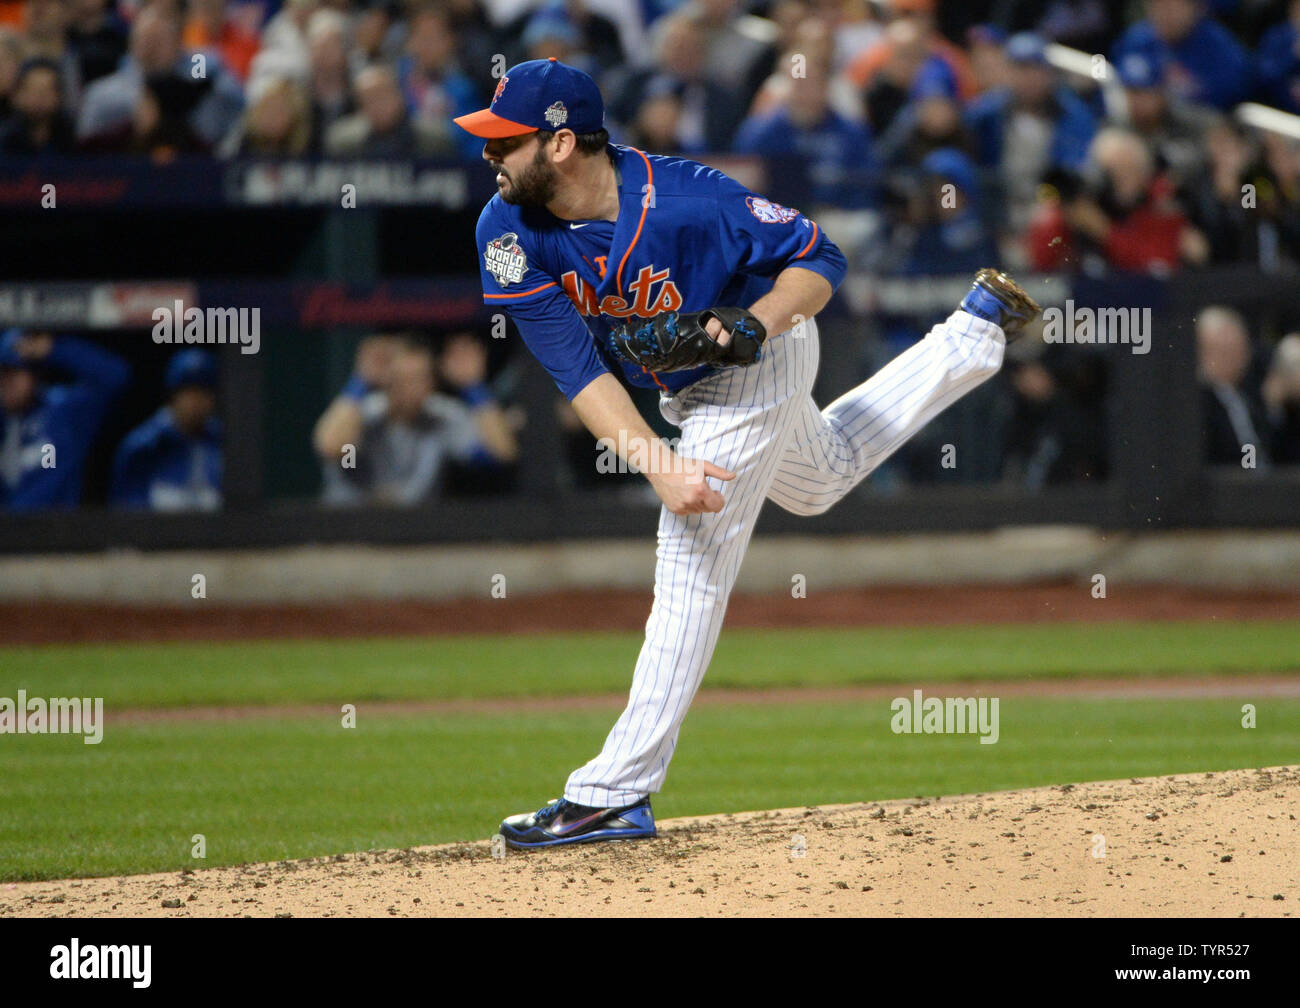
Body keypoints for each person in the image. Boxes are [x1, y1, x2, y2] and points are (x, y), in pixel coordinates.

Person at [455, 58, 1041, 848]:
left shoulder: (691, 199)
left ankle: (613, 792)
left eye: (506, 141)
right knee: (821, 476)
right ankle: (972, 334)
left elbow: (821, 258)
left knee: (692, 555)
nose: (490, 155)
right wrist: (655, 459)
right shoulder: (505, 229)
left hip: (756, 362)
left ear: (561, 145)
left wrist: (760, 319)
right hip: (682, 387)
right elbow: (576, 368)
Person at [312, 335, 515, 505]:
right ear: (387, 378)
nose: (411, 388)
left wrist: (474, 387)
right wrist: (360, 382)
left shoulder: (441, 416)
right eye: (402, 378)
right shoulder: (363, 412)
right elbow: (329, 445)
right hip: (346, 530)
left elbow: (501, 452)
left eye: (419, 378)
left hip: (413, 535)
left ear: (432, 382)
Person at [0, 329, 130, 511]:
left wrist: (55, 349)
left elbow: (114, 377)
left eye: (16, 372)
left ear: (36, 375)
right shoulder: (4, 421)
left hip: (54, 533)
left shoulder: (63, 411)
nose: (7, 382)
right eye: (3, 374)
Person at [109, 349, 223, 511]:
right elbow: (127, 511)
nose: (197, 401)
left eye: (204, 392)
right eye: (189, 392)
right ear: (173, 395)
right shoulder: (144, 445)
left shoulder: (223, 442)